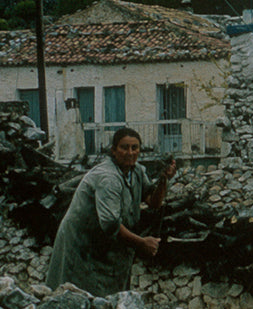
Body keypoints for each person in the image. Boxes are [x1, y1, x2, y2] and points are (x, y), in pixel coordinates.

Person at [46, 127, 175, 296]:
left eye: (134, 148)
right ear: (114, 151)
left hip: (104, 245)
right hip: (83, 243)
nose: (130, 152)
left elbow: (154, 202)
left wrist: (164, 179)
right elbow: (110, 225)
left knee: (109, 300)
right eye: (124, 147)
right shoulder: (108, 178)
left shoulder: (136, 171)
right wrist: (142, 243)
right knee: (76, 295)